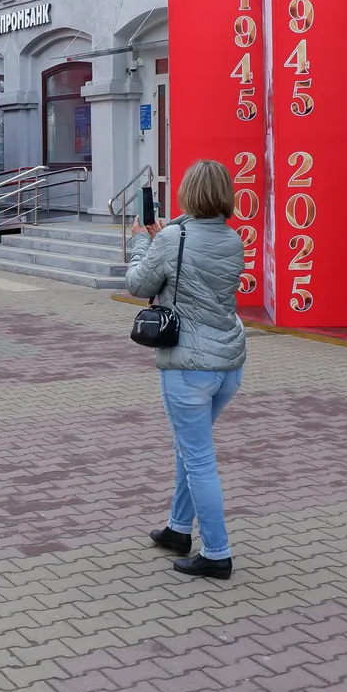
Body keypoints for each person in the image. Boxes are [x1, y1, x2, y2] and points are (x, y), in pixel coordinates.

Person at [125, 159, 248, 581]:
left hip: (188, 366)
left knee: (198, 458)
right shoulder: (233, 240)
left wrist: (142, 242)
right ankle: (179, 529)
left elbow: (138, 285)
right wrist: (166, 236)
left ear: (187, 193)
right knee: (188, 446)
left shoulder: (172, 238)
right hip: (227, 364)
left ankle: (217, 552)